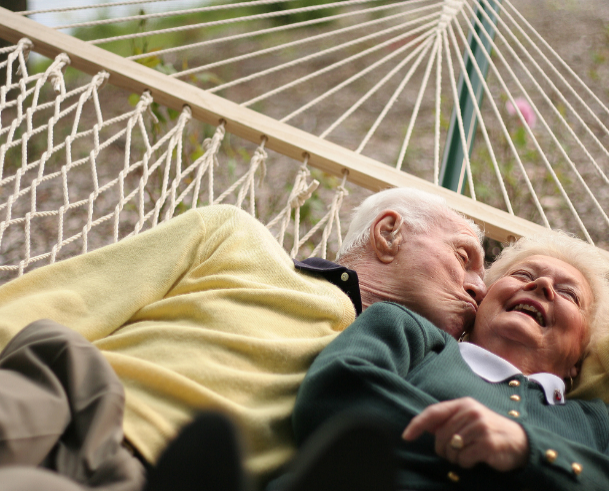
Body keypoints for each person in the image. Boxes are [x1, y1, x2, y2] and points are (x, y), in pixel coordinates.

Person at [0, 187, 486, 488]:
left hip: (165, 478)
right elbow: (62, 303)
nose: (479, 288)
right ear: (389, 233)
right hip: (64, 397)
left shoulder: (401, 379)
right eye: (464, 256)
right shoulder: (234, 237)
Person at [292, 230, 609, 490]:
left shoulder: (607, 424)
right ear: (481, 304)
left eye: (568, 293)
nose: (541, 285)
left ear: (580, 355)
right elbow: (335, 392)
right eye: (523, 275)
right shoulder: (409, 332)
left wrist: (529, 450)